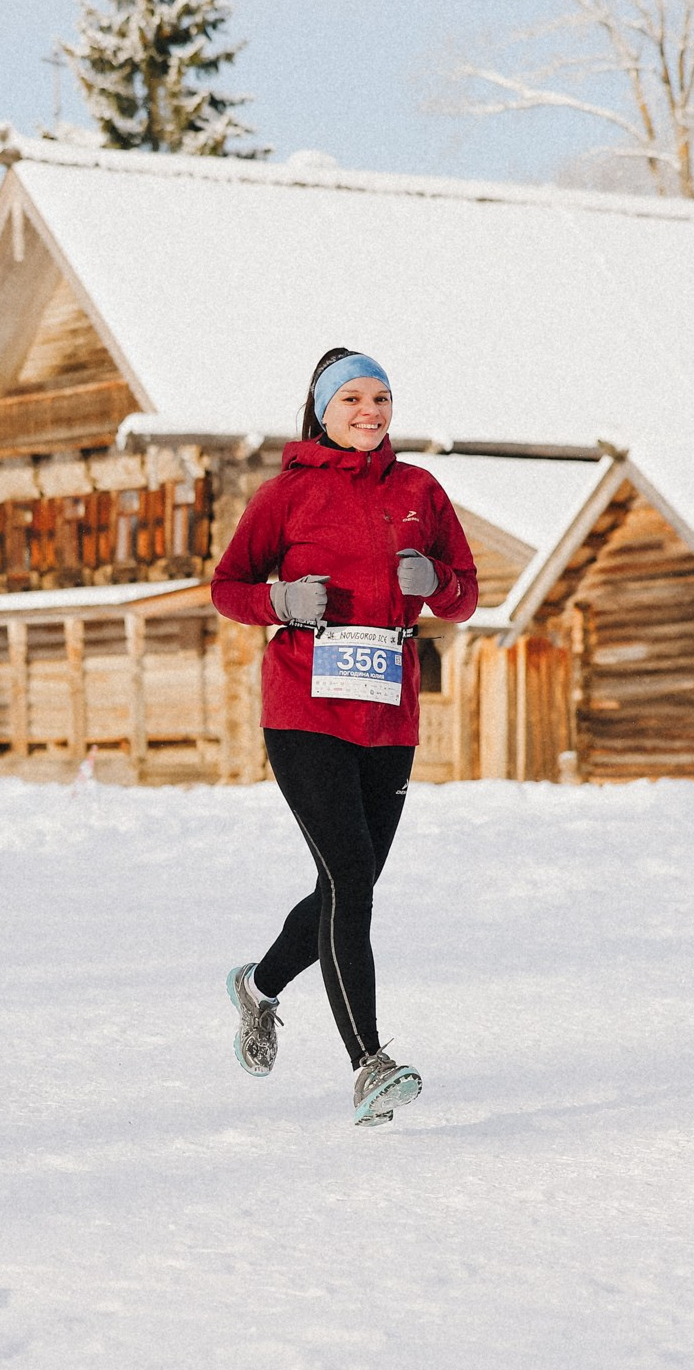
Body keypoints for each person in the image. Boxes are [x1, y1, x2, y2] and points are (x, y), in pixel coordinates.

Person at [210, 348, 478, 1127]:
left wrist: (439, 585)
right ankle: (370, 1063)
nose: (371, 410)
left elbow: (464, 594)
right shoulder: (286, 496)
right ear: (322, 409)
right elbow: (228, 587)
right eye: (353, 397)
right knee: (352, 873)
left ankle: (258, 986)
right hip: (304, 709)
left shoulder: (420, 492)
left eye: (382, 397)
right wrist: (281, 600)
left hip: (388, 713)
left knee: (346, 885)